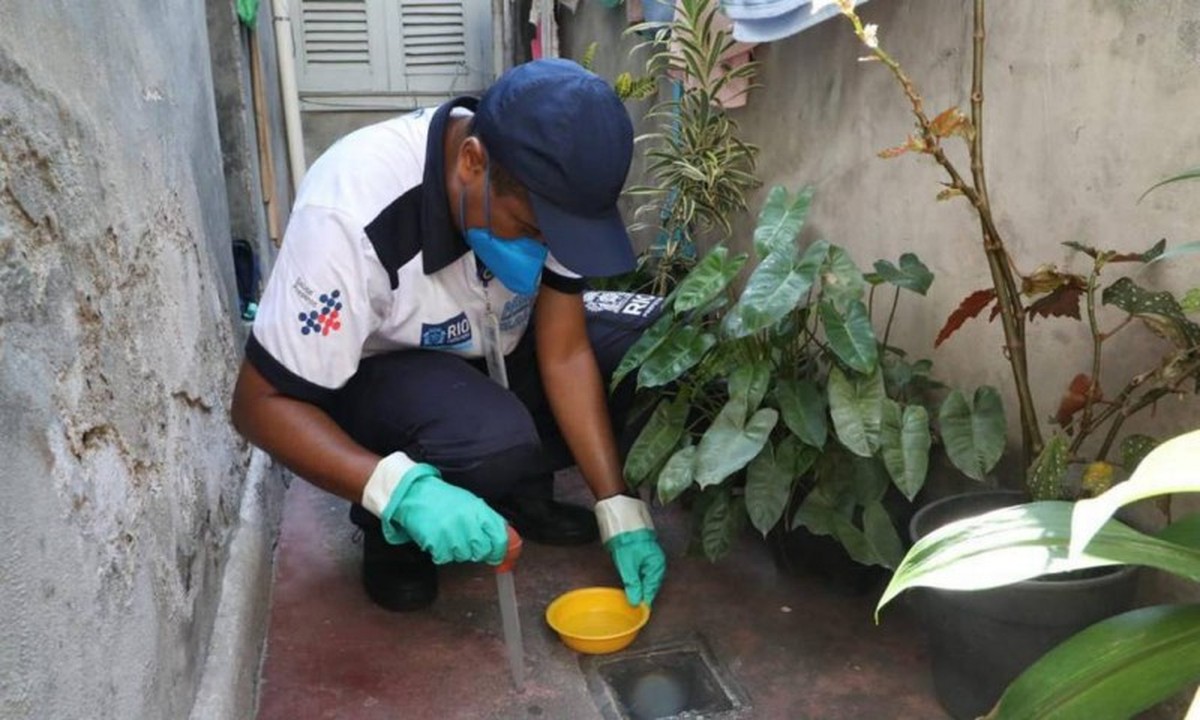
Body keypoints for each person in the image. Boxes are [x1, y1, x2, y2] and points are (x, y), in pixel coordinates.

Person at [230, 58, 667, 612]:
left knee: (647, 349)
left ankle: (519, 492)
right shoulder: (349, 213)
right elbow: (257, 405)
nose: (542, 247)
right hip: (383, 371)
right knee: (492, 438)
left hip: (491, 349)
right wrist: (398, 494)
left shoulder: (549, 190)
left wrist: (616, 503)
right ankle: (393, 523)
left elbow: (564, 352)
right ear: (471, 162)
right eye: (531, 231)